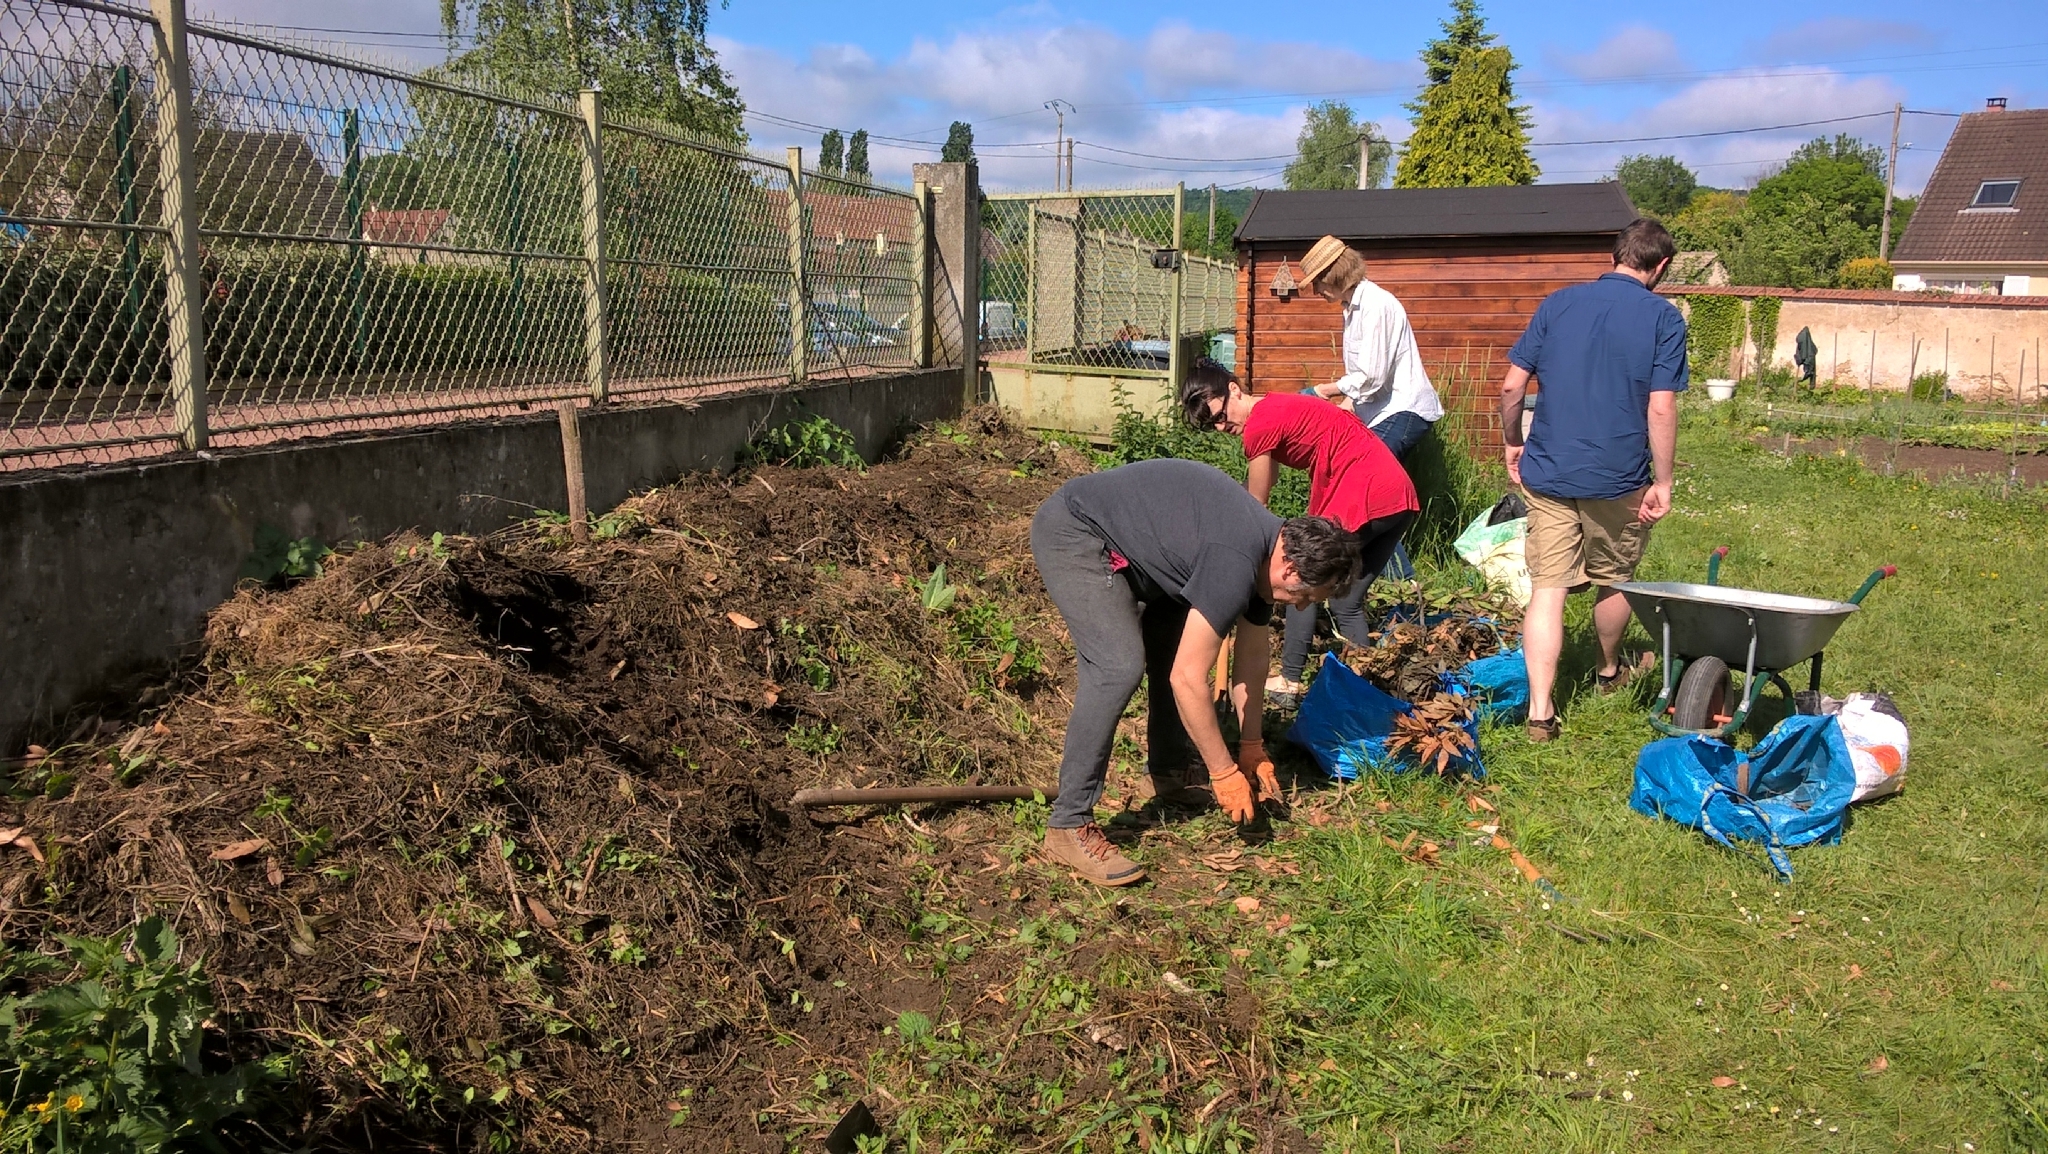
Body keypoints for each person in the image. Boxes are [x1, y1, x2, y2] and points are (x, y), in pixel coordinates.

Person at [1031, 459, 1360, 886]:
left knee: (1174, 650)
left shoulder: (1267, 554)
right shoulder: (1237, 558)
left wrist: (1252, 745)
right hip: (1077, 530)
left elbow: (1253, 660)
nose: (1299, 607)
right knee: (1116, 667)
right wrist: (1223, 773)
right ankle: (1069, 823)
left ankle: (1167, 773)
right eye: (1305, 597)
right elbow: (1188, 680)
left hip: (1148, 556)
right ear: (1291, 569)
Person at [1498, 217, 1687, 742]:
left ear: (1615, 255)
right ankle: (1608, 672)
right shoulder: (1662, 318)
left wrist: (1514, 442)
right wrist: (1664, 481)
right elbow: (1661, 407)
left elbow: (1512, 387)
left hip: (1549, 471)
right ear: (1661, 266)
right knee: (1616, 576)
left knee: (1548, 589)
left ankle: (1540, 712)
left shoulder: (1558, 304)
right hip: (1619, 477)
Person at [1180, 360, 1418, 699]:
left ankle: (1291, 678)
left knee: (1299, 573)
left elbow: (1255, 504)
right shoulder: (1275, 407)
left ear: (1234, 389)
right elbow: (1265, 481)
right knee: (1346, 601)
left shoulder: (1259, 424)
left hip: (1361, 490)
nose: (1220, 427)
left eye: (1219, 416)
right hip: (1397, 493)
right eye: (1210, 425)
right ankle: (1363, 694)